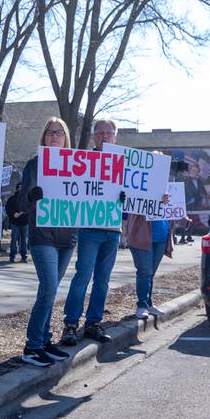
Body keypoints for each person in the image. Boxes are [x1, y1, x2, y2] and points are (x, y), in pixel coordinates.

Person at [18, 118, 77, 366]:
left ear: (66, 139)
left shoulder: (78, 166)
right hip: (43, 237)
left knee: (52, 293)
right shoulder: (34, 165)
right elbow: (21, 204)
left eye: (59, 133)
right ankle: (32, 347)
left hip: (68, 238)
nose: (54, 137)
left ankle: (44, 339)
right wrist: (32, 196)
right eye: (50, 133)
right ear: (43, 137)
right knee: (48, 289)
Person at [60, 118, 122, 347]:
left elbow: (138, 192)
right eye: (100, 132)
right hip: (89, 228)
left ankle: (93, 323)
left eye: (109, 132)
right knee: (83, 276)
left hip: (113, 230)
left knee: (102, 280)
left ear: (115, 136)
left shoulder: (123, 162)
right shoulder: (83, 161)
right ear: (94, 136)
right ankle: (71, 324)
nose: (104, 136)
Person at [125, 213, 173, 319]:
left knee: (150, 273)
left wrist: (184, 219)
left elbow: (173, 206)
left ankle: (149, 304)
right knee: (145, 271)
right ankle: (142, 306)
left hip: (161, 236)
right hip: (140, 235)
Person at [5, 182, 28, 263]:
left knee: (24, 241)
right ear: (17, 188)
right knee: (14, 240)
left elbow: (30, 208)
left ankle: (24, 257)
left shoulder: (27, 198)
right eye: (19, 187)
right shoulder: (12, 198)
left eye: (22, 187)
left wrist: (22, 212)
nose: (20, 189)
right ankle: (12, 257)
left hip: (25, 223)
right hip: (15, 223)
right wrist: (13, 213)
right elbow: (7, 208)